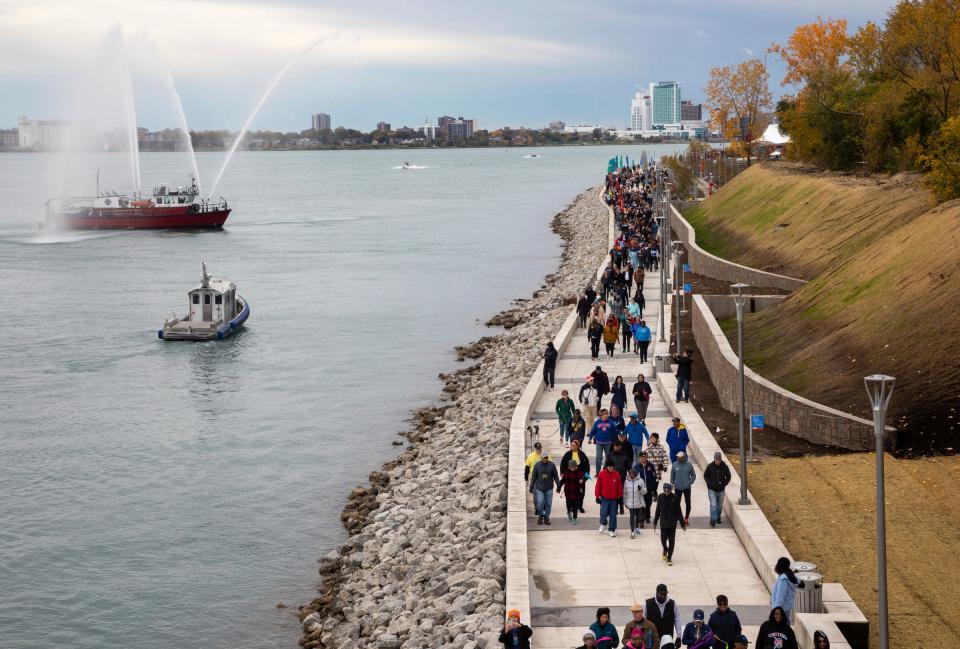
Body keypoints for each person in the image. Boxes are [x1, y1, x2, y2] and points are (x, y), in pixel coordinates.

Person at [653, 483, 686, 566]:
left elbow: (679, 511)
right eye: (665, 491)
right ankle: (665, 549)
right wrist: (655, 522)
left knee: (672, 541)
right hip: (663, 523)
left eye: (668, 491)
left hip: (672, 523)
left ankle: (669, 558)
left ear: (670, 490)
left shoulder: (675, 498)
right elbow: (657, 510)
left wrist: (682, 524)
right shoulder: (660, 497)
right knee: (663, 539)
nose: (666, 493)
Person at [529, 452, 561, 525]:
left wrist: (558, 485)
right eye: (544, 457)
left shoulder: (552, 465)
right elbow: (533, 477)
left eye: (546, 457)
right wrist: (531, 486)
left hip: (549, 487)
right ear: (541, 458)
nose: (545, 459)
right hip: (539, 488)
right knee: (540, 502)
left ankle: (546, 517)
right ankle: (540, 516)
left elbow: (556, 476)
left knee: (548, 503)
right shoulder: (537, 465)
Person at [595, 459, 623, 537]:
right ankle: (603, 524)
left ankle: (611, 529)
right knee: (603, 513)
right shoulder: (601, 474)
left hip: (614, 499)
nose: (612, 469)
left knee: (613, 514)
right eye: (610, 467)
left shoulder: (617, 474)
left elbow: (619, 486)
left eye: (613, 467)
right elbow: (598, 486)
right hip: (604, 498)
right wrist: (597, 496)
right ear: (607, 466)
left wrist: (620, 497)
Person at [703, 451, 731, 527]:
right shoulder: (710, 466)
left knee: (719, 506)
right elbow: (705, 475)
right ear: (714, 459)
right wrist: (709, 483)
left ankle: (718, 517)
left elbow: (728, 476)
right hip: (712, 490)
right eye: (716, 460)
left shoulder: (724, 466)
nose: (718, 461)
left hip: (721, 490)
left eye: (719, 460)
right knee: (713, 504)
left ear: (721, 459)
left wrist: (724, 484)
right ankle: (712, 520)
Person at [670, 451, 696, 524]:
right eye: (678, 457)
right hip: (677, 488)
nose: (678, 458)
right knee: (677, 503)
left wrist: (690, 482)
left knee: (688, 503)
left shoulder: (689, 465)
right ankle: (679, 516)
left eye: (680, 457)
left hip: (687, 488)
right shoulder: (674, 465)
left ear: (684, 457)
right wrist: (672, 484)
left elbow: (693, 475)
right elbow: (672, 476)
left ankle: (686, 518)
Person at [623, 465, 648, 539]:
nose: (631, 475)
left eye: (633, 474)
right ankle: (632, 532)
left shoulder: (641, 481)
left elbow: (645, 492)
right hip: (630, 503)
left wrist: (640, 489)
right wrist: (625, 502)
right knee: (632, 517)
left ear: (636, 474)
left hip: (638, 503)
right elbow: (625, 493)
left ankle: (636, 527)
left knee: (637, 517)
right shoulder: (626, 481)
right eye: (630, 474)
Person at [559, 459, 586, 524]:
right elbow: (562, 481)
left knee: (575, 507)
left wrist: (582, 480)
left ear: (576, 466)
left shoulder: (579, 472)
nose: (572, 468)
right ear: (569, 467)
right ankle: (569, 512)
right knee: (568, 505)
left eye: (574, 467)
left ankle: (574, 518)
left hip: (576, 492)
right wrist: (558, 487)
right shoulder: (566, 472)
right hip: (568, 492)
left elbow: (583, 478)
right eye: (571, 467)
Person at [636, 454, 658, 523]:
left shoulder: (651, 466)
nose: (644, 458)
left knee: (648, 504)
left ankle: (647, 516)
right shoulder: (636, 467)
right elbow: (634, 477)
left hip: (649, 488)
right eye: (642, 457)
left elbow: (654, 477)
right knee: (642, 504)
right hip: (641, 490)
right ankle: (641, 519)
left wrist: (652, 486)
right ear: (640, 458)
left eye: (645, 456)